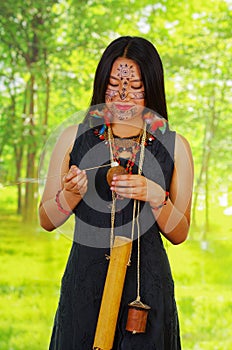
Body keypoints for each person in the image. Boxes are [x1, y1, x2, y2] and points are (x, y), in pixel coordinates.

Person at [39, 36, 193, 350]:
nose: (122, 95)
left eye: (134, 86)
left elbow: (180, 233)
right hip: (85, 284)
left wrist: (155, 195)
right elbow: (46, 219)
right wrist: (70, 194)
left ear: (151, 86)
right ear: (101, 84)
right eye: (113, 84)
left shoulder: (176, 145)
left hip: (145, 290)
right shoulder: (73, 138)